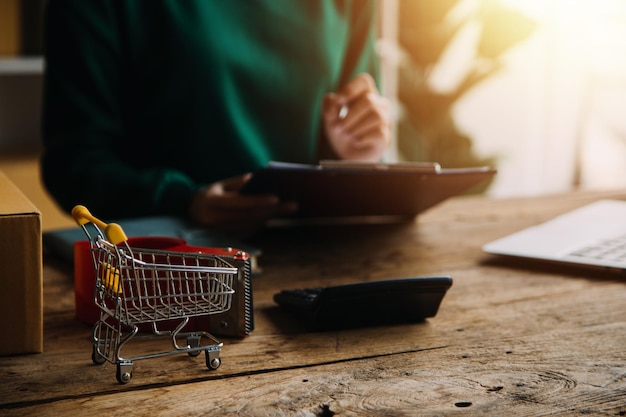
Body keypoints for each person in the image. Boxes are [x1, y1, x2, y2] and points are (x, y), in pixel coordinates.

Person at [41, 0, 391, 230]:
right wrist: (183, 200)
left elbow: (355, 113)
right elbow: (73, 160)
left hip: (329, 250)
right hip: (171, 273)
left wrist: (357, 148)